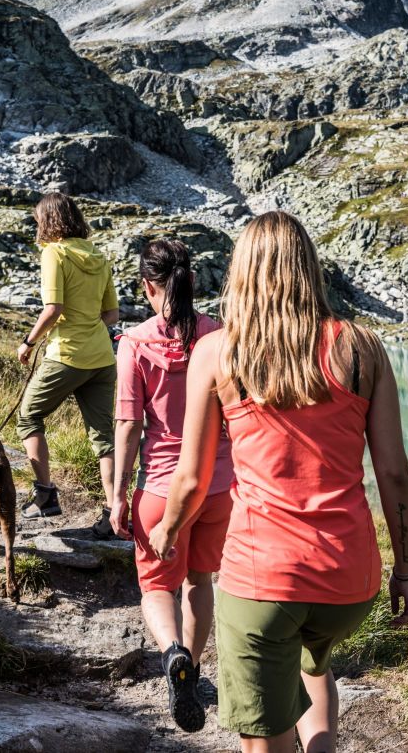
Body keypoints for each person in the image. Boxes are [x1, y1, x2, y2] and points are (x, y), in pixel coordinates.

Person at [150, 211, 408, 753]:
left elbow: (192, 477)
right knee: (312, 663)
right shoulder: (362, 348)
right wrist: (405, 571)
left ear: (242, 272)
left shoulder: (218, 352)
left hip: (263, 578)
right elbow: (392, 472)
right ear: (308, 268)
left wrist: (168, 531)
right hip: (349, 580)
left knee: (264, 736)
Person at [111, 238, 234, 733]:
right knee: (200, 581)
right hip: (220, 486)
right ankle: (195, 667)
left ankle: (172, 656)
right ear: (193, 282)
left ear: (147, 286)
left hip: (162, 490)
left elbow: (127, 424)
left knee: (157, 585)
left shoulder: (136, 343)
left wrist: (117, 494)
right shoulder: (220, 335)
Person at [16, 192, 120, 535]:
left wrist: (29, 343)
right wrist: (90, 329)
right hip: (103, 358)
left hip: (67, 355)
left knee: (28, 416)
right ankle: (114, 514)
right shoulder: (100, 257)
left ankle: (45, 496)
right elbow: (111, 314)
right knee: (104, 438)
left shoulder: (54, 254)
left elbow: (53, 309)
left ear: (47, 221)